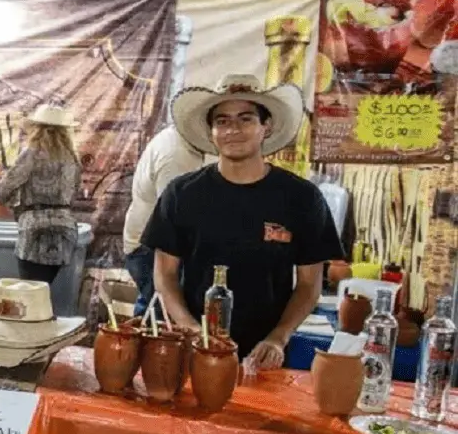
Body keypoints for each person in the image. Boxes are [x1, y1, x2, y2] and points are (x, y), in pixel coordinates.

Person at [141, 74, 344, 367]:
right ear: (211, 132)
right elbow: (165, 274)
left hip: (265, 356)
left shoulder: (301, 198)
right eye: (221, 121)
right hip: (195, 351)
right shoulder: (182, 194)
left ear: (266, 127)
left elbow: (309, 284)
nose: (232, 129)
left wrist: (279, 336)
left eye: (245, 119)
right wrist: (190, 328)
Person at [0, 103, 82, 285]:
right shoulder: (72, 158)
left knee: (30, 290)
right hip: (65, 229)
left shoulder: (32, 153)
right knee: (44, 289)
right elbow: (74, 193)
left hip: (34, 229)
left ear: (36, 128)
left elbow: (4, 191)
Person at [122, 125, 205, 315]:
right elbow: (179, 221)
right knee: (164, 323)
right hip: (154, 249)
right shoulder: (177, 156)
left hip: (151, 245)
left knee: (152, 315)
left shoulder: (182, 142)